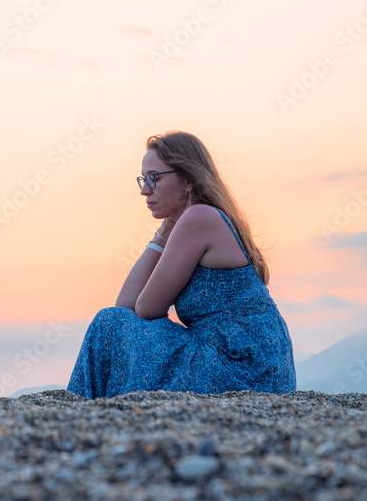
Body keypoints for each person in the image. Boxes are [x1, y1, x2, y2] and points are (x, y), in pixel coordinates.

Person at [66, 130, 296, 398]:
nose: (144, 190)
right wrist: (165, 228)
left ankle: (82, 417)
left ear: (187, 179)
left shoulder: (199, 218)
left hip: (241, 364)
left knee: (107, 323)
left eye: (154, 178)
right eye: (143, 179)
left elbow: (144, 307)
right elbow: (126, 305)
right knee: (110, 321)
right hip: (246, 361)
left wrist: (165, 231)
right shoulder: (199, 219)